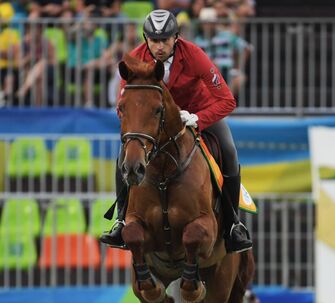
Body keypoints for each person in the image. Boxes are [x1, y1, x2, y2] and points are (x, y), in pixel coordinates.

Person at [99, 9, 252, 253]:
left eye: (165, 40)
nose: (159, 47)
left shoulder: (194, 55)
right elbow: (123, 106)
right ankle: (120, 220)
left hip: (196, 111)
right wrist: (139, 125)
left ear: (176, 37)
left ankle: (233, 225)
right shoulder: (134, 61)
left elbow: (227, 101)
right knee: (124, 157)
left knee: (229, 151)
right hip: (155, 122)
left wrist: (198, 119)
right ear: (145, 39)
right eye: (154, 41)